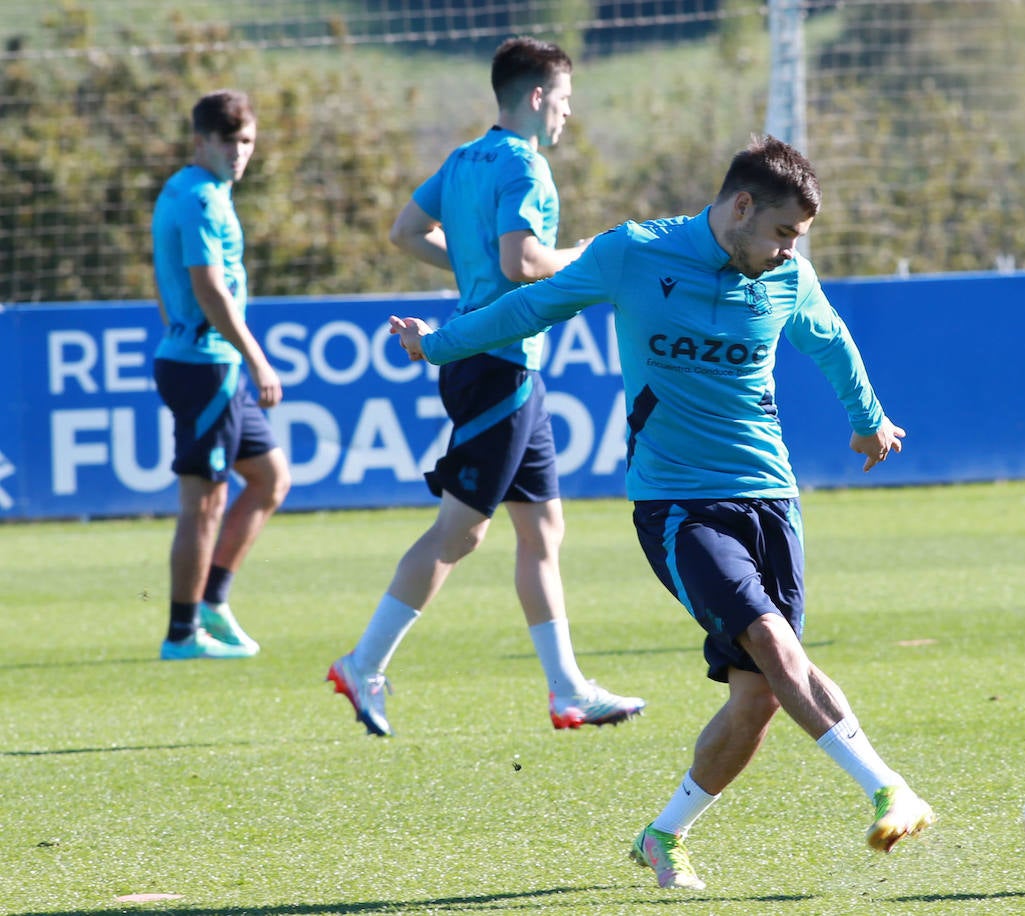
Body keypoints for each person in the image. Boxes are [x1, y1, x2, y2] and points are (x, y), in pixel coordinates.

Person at [388, 135, 934, 889]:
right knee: (774, 645)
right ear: (740, 206)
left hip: (770, 498)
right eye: (781, 233)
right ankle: (886, 786)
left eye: (797, 241)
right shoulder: (635, 254)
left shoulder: (788, 278)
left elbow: (832, 341)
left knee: (760, 697)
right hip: (677, 502)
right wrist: (440, 345)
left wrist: (867, 418)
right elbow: (531, 306)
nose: (786, 253)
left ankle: (662, 836)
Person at [326, 37, 644, 737]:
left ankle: (567, 690)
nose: (567, 113)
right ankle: (363, 663)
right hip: (496, 361)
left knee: (543, 528)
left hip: (502, 361)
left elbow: (406, 232)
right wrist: (592, 255)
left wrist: (474, 277)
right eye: (563, 99)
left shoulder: (465, 159)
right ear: (536, 97)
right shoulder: (526, 166)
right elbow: (526, 262)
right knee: (460, 532)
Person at [151, 89, 291, 661]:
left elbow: (168, 276)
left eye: (247, 141)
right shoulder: (203, 200)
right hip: (207, 367)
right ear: (201, 141)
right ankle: (182, 634)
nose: (239, 153)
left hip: (213, 364)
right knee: (203, 502)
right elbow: (208, 288)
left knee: (269, 478)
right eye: (228, 141)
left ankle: (213, 600)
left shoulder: (185, 189)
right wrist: (258, 359)